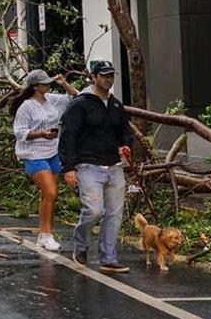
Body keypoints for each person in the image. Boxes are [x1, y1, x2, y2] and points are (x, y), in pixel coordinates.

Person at [59, 61, 133, 273]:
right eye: (104, 75)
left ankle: (108, 257)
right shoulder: (80, 104)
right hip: (88, 165)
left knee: (114, 214)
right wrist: (69, 167)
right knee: (93, 210)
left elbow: (125, 132)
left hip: (114, 165)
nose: (108, 80)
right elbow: (68, 135)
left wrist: (126, 146)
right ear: (93, 77)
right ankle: (81, 244)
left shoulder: (116, 105)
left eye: (111, 76)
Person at [10, 69, 78, 252]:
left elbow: (75, 98)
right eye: (44, 83)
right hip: (33, 153)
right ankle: (47, 235)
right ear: (35, 87)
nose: (48, 85)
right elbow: (19, 132)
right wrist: (41, 134)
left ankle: (44, 234)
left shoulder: (51, 99)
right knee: (50, 192)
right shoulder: (26, 107)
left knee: (48, 195)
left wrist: (64, 84)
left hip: (53, 150)